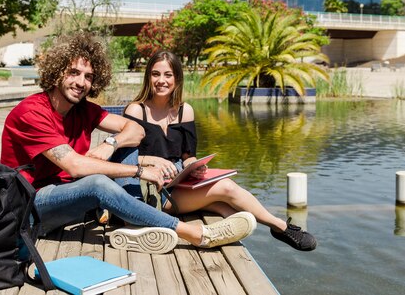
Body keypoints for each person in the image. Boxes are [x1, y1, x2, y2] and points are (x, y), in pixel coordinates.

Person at [0, 34, 256, 255]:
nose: (81, 82)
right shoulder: (31, 112)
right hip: (30, 208)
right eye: (73, 73)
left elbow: (135, 129)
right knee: (97, 182)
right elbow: (76, 167)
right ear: (57, 72)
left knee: (126, 145)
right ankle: (196, 234)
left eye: (88, 76)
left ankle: (133, 220)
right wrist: (140, 170)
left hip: (68, 200)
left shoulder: (84, 110)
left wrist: (110, 143)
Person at [119, 50, 317, 251]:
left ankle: (236, 234)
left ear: (177, 78)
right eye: (155, 74)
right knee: (227, 189)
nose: (161, 80)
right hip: (151, 191)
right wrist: (151, 160)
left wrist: (194, 168)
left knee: (225, 207)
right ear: (148, 77)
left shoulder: (184, 110)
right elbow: (122, 160)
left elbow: (188, 155)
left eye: (168, 75)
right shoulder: (136, 110)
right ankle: (280, 226)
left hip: (179, 183)